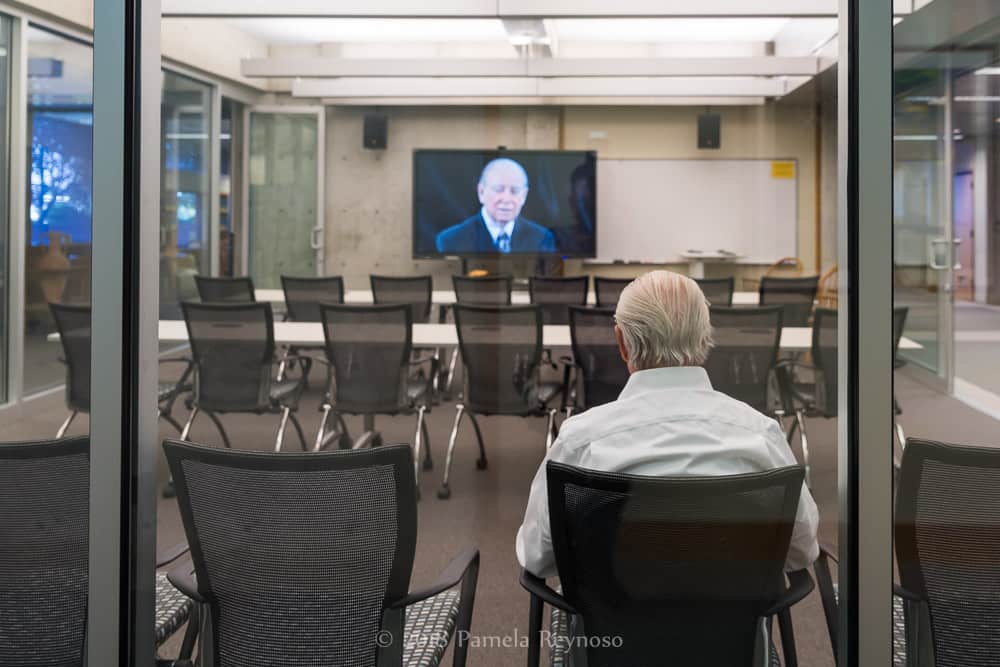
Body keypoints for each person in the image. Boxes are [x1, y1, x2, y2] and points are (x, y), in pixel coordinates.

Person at [516, 270, 819, 578]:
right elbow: (801, 550)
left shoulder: (580, 442)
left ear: (621, 343)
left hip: (609, 623)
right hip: (732, 626)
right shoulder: (761, 436)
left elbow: (537, 556)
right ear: (705, 339)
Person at [435, 157, 556, 254]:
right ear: (481, 192)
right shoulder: (450, 240)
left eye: (514, 191)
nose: (506, 199)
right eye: (498, 190)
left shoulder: (542, 238)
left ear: (524, 196)